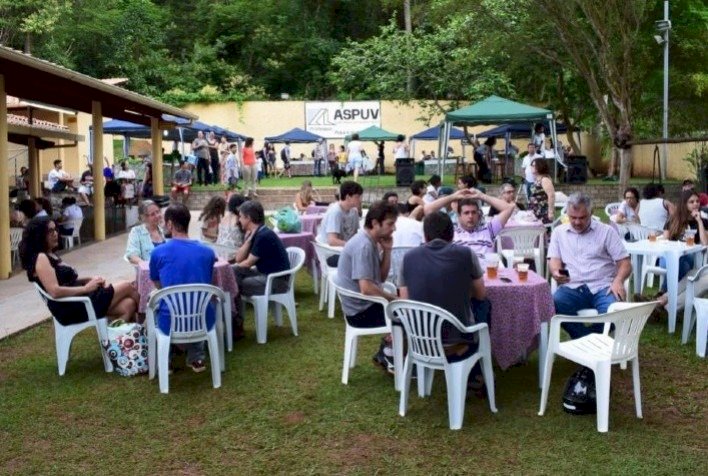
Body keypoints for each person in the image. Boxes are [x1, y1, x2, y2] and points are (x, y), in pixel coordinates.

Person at [399, 211, 489, 393]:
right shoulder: (466, 254)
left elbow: (404, 301)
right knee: (485, 305)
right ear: (452, 233)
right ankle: (476, 369)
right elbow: (480, 294)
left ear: (425, 235)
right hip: (457, 341)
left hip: (420, 341)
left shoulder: (408, 258)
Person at [21, 216, 138, 325]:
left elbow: (65, 281)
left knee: (129, 305)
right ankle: (148, 322)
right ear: (39, 235)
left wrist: (88, 279)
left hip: (80, 300)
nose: (55, 233)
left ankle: (115, 342)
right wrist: (86, 288)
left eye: (55, 229)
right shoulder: (41, 258)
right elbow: (54, 291)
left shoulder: (50, 255)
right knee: (127, 286)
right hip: (72, 307)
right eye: (50, 231)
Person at [548, 193, 632, 339]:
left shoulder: (606, 231)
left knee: (614, 312)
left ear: (591, 213)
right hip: (572, 286)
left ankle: (584, 341)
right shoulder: (559, 232)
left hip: (603, 286)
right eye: (573, 217)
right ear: (567, 213)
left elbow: (625, 263)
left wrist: (618, 281)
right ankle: (588, 340)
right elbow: (554, 260)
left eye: (582, 217)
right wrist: (555, 271)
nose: (577, 222)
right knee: (555, 302)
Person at [149, 203, 217, 373]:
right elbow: (206, 282)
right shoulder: (208, 252)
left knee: (155, 306)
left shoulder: (158, 252)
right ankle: (197, 356)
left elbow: (158, 285)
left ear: (170, 224)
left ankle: (167, 359)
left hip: (170, 321)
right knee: (197, 301)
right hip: (203, 319)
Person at [334, 201, 399, 372]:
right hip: (360, 312)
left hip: (363, 306)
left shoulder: (370, 241)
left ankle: (388, 352)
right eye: (390, 224)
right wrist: (395, 299)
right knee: (407, 312)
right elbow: (367, 288)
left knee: (404, 309)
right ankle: (389, 354)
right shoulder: (363, 246)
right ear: (376, 223)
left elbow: (381, 278)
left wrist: (388, 250)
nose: (394, 229)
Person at [651, 190, 708, 310]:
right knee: (680, 263)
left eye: (697, 201)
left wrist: (699, 222)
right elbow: (665, 241)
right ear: (684, 204)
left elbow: (705, 243)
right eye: (691, 202)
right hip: (670, 257)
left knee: (682, 262)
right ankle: (664, 298)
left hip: (691, 257)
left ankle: (662, 293)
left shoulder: (702, 221)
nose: (695, 204)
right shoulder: (674, 219)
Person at [232, 200, 290, 298]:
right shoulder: (256, 232)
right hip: (265, 274)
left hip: (276, 281)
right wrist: (248, 240)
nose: (239, 220)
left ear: (248, 218)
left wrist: (229, 271)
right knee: (234, 275)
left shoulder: (263, 235)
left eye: (241, 216)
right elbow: (238, 259)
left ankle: (234, 312)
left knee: (234, 281)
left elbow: (248, 263)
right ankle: (234, 311)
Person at [317, 181, 363, 247]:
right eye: (357, 197)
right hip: (332, 252)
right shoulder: (335, 212)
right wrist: (353, 246)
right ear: (348, 197)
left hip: (346, 249)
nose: (360, 200)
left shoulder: (354, 211)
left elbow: (355, 236)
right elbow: (332, 241)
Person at [124, 200, 166, 264]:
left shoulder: (164, 229)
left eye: (158, 212)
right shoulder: (136, 232)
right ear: (144, 217)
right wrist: (145, 265)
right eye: (152, 214)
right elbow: (131, 255)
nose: (157, 216)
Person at [528, 158, 555, 224]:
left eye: (534, 165)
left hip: (542, 211)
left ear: (540, 166)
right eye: (532, 165)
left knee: (542, 231)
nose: (532, 167)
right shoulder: (537, 179)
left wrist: (550, 212)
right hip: (535, 210)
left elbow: (551, 195)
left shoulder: (545, 179)